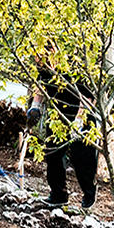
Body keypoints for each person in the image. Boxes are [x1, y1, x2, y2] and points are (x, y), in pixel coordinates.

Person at [25, 80, 99, 211]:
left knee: (80, 157)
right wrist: (36, 104)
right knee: (53, 153)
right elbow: (41, 83)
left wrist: (79, 120)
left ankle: (89, 195)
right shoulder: (43, 63)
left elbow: (87, 96)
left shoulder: (71, 64)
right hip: (57, 114)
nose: (37, 60)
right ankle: (58, 195)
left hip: (81, 112)